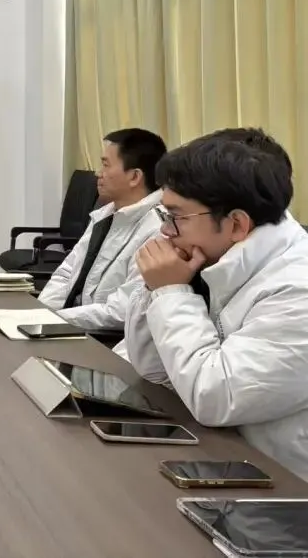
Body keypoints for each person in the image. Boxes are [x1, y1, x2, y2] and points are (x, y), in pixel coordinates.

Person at [122, 128, 308, 481]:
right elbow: (155, 370)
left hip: (287, 489)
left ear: (236, 224)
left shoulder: (298, 290)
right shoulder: (223, 259)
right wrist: (155, 288)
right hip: (228, 463)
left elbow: (215, 397)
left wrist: (171, 292)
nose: (165, 232)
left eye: (176, 217)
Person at [37, 128, 167, 332]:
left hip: (102, 338)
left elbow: (122, 310)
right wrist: (39, 314)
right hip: (71, 325)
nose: (98, 173)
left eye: (106, 165)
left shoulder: (159, 229)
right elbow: (67, 273)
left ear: (134, 176)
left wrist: (54, 319)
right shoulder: (105, 215)